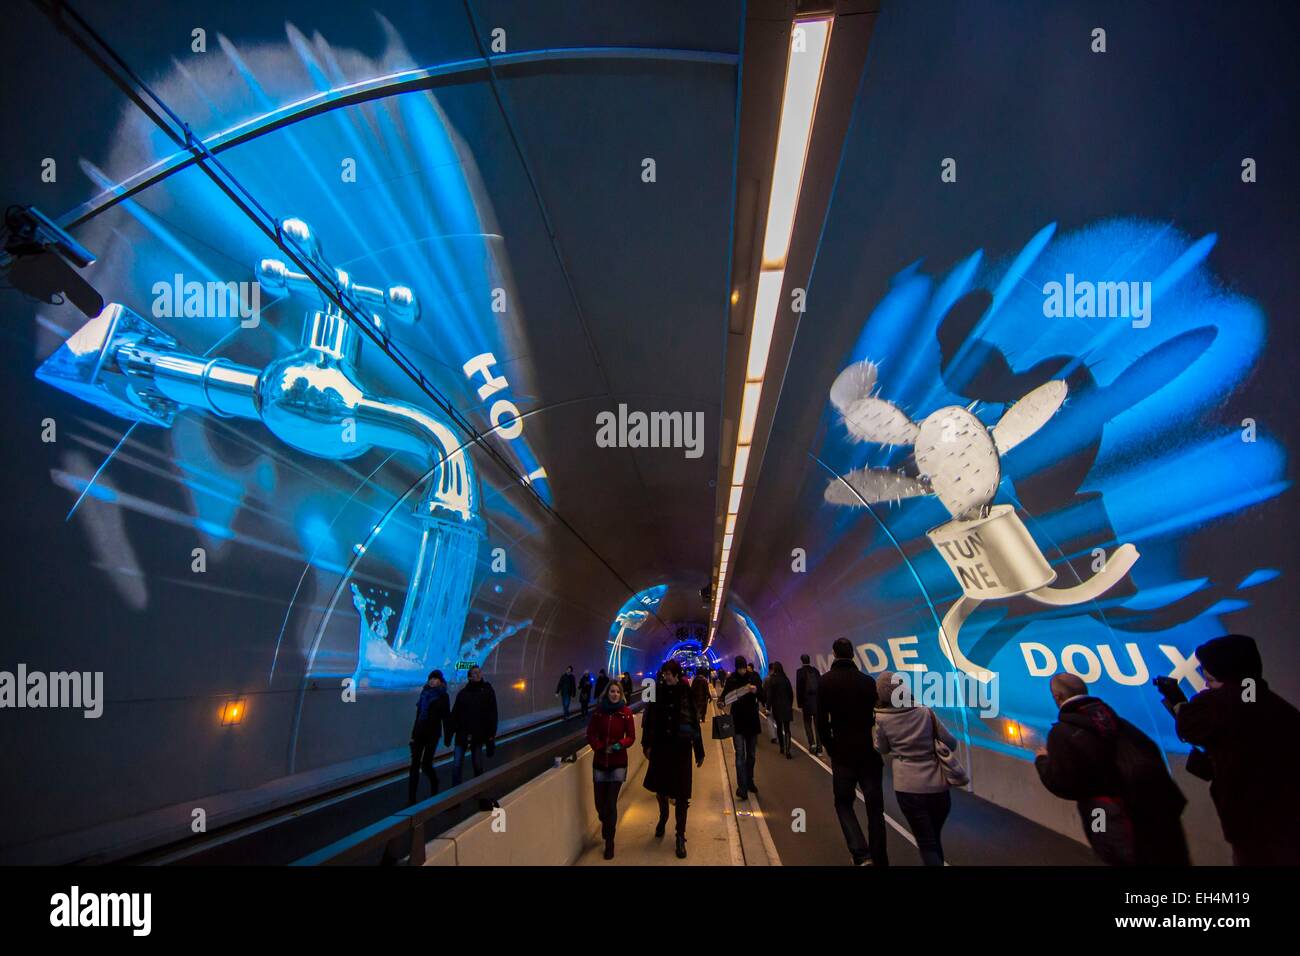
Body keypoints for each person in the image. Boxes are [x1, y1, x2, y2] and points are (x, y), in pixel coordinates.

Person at [1156, 634, 1300, 865]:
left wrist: (1179, 703)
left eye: (1211, 680)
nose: (1206, 686)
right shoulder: (1274, 706)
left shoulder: (1220, 702)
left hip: (1253, 826)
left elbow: (1191, 728)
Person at [1037, 672, 1189, 865]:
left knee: (1111, 852)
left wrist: (1042, 761)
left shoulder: (1062, 733)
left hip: (1100, 813)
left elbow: (1062, 783)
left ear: (1057, 697)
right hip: (1149, 812)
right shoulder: (1119, 722)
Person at [816, 638, 888, 866]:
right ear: (853, 654)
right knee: (875, 809)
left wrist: (829, 746)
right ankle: (880, 859)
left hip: (842, 753)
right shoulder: (868, 682)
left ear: (835, 654)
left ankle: (860, 852)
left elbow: (821, 720)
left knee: (843, 803)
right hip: (867, 752)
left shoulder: (826, 682)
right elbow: (878, 715)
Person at [873, 670, 957, 865]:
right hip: (938, 786)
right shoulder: (926, 712)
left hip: (908, 788)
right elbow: (950, 743)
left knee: (926, 842)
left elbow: (882, 749)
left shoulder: (882, 719)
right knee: (934, 839)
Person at [642, 659, 705, 859]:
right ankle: (663, 816)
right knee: (661, 790)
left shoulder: (685, 691)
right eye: (664, 673)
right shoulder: (654, 690)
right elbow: (648, 717)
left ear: (677, 674)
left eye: (669, 673)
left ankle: (680, 835)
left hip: (681, 748)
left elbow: (694, 719)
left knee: (681, 794)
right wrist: (646, 744)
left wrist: (699, 749)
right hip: (661, 747)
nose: (666, 676)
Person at [587, 679, 637, 859]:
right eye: (612, 691)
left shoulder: (626, 713)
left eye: (617, 692)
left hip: (618, 763)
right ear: (607, 693)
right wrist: (599, 746)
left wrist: (620, 745)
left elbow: (631, 737)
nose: (615, 694)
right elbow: (590, 734)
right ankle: (606, 824)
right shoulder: (598, 713)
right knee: (600, 805)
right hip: (600, 762)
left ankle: (610, 841)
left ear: (621, 694)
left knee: (610, 803)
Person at [722, 656, 765, 799]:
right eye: (739, 668)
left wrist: (756, 691)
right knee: (740, 755)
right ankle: (742, 787)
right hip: (738, 722)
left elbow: (763, 696)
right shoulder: (732, 679)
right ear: (736, 667)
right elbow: (724, 696)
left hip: (752, 721)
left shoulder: (754, 677)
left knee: (751, 755)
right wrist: (721, 702)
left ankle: (750, 780)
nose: (741, 670)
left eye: (743, 667)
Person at [448, 666, 498, 785]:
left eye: (479, 672)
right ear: (469, 677)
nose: (478, 674)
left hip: (478, 734)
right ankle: (456, 795)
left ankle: (479, 791)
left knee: (477, 764)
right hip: (462, 734)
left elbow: (492, 713)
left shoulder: (487, 691)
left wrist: (491, 736)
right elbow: (455, 713)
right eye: (475, 673)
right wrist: (450, 733)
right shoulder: (463, 693)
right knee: (456, 765)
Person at [408, 669, 450, 805]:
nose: (432, 681)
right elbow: (418, 715)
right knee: (414, 765)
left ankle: (434, 782)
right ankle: (411, 798)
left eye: (435, 679)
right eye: (431, 678)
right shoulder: (424, 693)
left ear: (440, 681)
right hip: (420, 733)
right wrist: (413, 735)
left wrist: (448, 736)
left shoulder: (443, 696)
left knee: (426, 764)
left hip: (432, 734)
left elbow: (445, 717)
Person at [765, 662, 795, 759]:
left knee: (779, 727)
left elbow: (770, 696)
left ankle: (782, 747)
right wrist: (790, 705)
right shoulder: (786, 679)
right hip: (786, 707)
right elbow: (791, 694)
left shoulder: (772, 680)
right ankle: (788, 750)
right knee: (787, 729)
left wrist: (768, 708)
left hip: (777, 707)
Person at [796, 654, 822, 755]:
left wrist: (800, 704)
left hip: (806, 703)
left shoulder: (800, 672)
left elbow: (799, 689)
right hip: (816, 702)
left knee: (807, 724)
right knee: (817, 726)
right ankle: (819, 749)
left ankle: (812, 745)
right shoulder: (815, 671)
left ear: (801, 661)